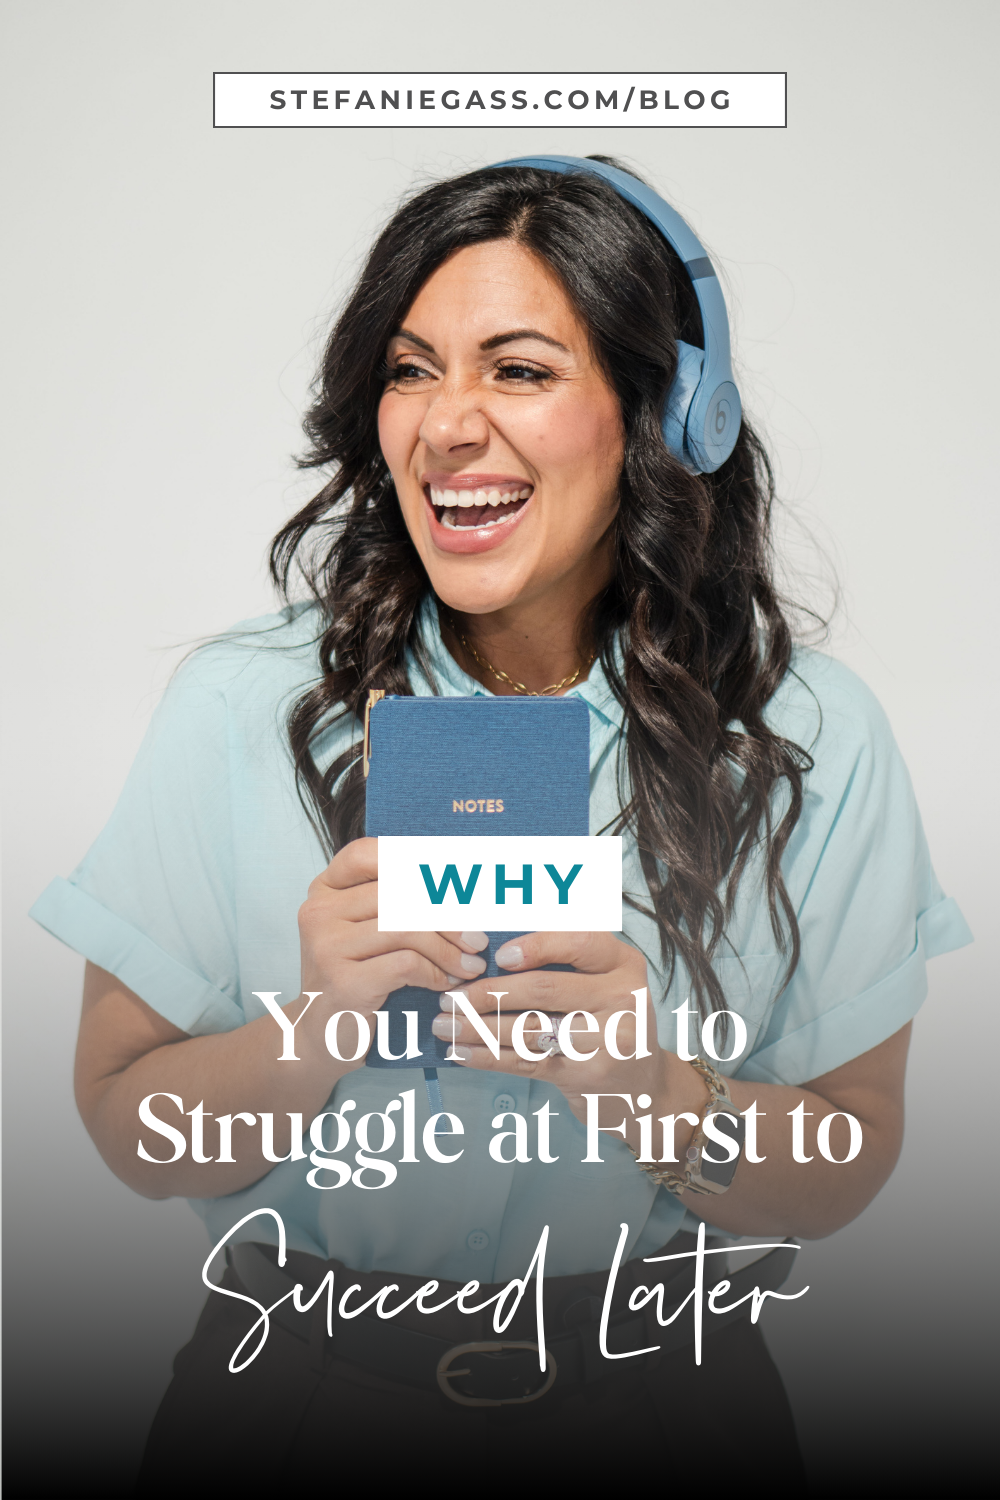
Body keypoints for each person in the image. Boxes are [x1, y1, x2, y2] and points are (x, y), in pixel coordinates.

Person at [31, 156, 970, 1486]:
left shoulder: (811, 736)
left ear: (665, 414)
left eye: (519, 370)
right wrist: (314, 1033)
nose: (447, 424)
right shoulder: (239, 705)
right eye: (412, 371)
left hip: (669, 1410)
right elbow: (128, 1130)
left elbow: (851, 1155)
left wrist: (648, 1091)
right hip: (293, 1404)